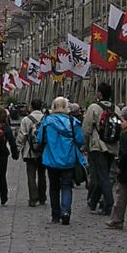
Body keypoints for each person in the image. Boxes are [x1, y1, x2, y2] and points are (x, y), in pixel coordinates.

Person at [35, 94, 85, 226]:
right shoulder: (73, 122)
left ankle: (55, 215)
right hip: (68, 159)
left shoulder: (47, 121)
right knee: (66, 186)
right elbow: (80, 140)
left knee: (54, 187)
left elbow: (39, 139)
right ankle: (66, 212)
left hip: (51, 159)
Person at [82, 82, 115, 217]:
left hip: (98, 145)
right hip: (112, 146)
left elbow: (86, 129)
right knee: (103, 174)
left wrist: (85, 145)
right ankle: (93, 201)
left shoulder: (94, 108)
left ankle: (109, 204)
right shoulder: (115, 108)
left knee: (102, 176)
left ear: (100, 94)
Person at [17, 101, 47, 207]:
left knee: (31, 175)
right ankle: (42, 197)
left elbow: (22, 135)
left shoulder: (26, 119)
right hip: (43, 151)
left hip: (29, 151)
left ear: (31, 107)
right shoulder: (46, 118)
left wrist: (18, 148)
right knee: (42, 174)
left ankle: (33, 199)